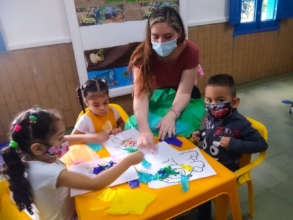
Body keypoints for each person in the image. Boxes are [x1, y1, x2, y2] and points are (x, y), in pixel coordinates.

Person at [0, 108, 144, 220]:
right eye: (60, 138)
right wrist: (128, 160)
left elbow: (67, 139)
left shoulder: (32, 156)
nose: (65, 141)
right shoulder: (46, 172)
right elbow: (95, 183)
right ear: (37, 148)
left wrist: (92, 137)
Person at [192, 74, 268, 219]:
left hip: (227, 171)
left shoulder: (240, 124)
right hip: (208, 164)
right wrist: (201, 134)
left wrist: (234, 143)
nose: (213, 105)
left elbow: (261, 144)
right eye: (209, 100)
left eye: (220, 100)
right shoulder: (210, 116)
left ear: (234, 102)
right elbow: (211, 132)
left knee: (201, 191)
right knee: (194, 186)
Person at [129, 6, 201, 148]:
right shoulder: (141, 56)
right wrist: (144, 131)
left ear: (179, 33)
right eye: (155, 36)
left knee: (180, 129)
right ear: (149, 35)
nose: (161, 42)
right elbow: (140, 95)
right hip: (156, 100)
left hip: (181, 101)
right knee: (134, 126)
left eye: (168, 36)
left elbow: (185, 91)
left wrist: (172, 114)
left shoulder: (191, 51)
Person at [72, 78, 124, 143]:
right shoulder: (86, 120)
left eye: (105, 103)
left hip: (114, 148)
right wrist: (92, 137)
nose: (102, 108)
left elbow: (121, 122)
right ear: (86, 103)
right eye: (96, 105)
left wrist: (119, 129)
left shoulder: (112, 111)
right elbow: (72, 138)